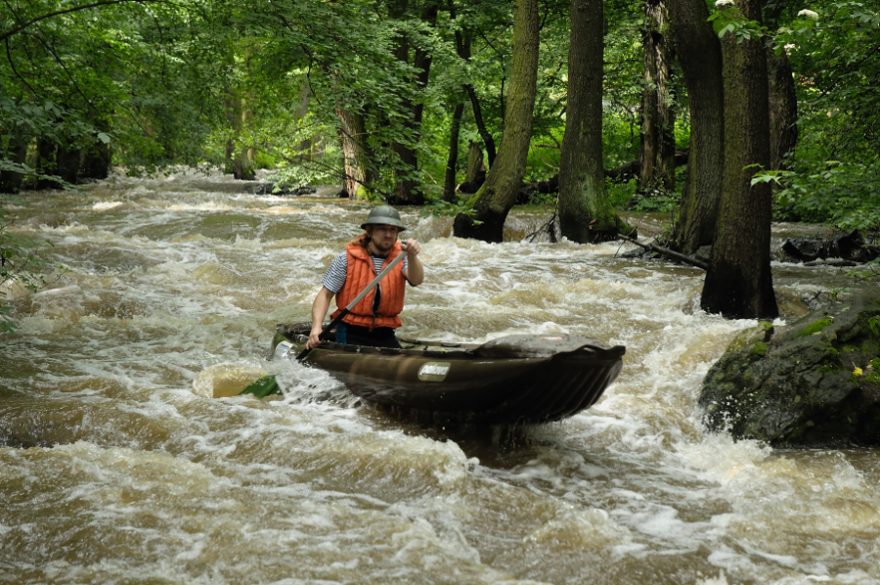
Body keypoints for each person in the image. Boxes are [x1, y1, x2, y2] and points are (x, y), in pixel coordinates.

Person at [306, 205, 423, 349]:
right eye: (382, 229)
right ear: (369, 231)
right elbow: (325, 294)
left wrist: (412, 256)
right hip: (350, 329)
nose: (388, 234)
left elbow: (416, 280)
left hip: (384, 331)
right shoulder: (346, 258)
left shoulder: (403, 258)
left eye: (393, 229)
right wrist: (316, 328)